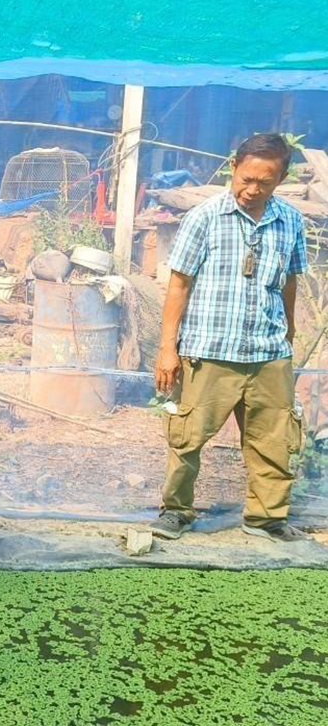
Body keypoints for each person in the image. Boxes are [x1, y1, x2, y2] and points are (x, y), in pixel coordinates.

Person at [152, 133, 308, 543]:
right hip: (209, 350)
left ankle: (266, 518)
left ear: (281, 179)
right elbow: (179, 285)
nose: (252, 189)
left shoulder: (290, 220)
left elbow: (290, 281)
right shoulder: (204, 217)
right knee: (187, 437)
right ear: (233, 167)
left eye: (265, 182)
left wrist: (289, 332)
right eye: (246, 179)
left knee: (274, 440)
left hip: (268, 352)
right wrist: (168, 349)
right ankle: (176, 511)